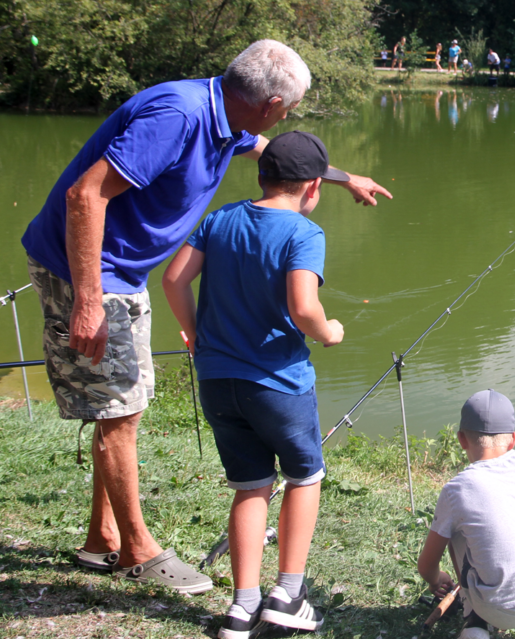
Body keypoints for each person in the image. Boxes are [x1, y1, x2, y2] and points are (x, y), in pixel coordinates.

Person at [20, 39, 391, 595]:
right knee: (119, 410)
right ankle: (138, 553)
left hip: (128, 272)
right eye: (289, 109)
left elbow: (275, 156)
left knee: (122, 406)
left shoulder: (226, 116)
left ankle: (103, 536)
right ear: (269, 102)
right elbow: (85, 195)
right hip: (88, 269)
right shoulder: (178, 116)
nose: (287, 118)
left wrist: (342, 177)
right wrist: (89, 301)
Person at [162, 131, 344, 639]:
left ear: (261, 176)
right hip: (278, 382)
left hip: (218, 381)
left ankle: (242, 607)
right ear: (311, 187)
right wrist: (329, 331)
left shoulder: (221, 218)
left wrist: (197, 334)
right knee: (305, 475)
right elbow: (303, 307)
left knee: (249, 484)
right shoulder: (304, 233)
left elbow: (174, 279)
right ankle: (288, 593)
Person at [418, 390, 515, 639]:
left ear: (461, 439)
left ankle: (475, 622)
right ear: (513, 439)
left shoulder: (455, 489)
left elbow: (426, 565)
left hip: (492, 609)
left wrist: (437, 580)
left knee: (456, 532)